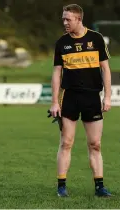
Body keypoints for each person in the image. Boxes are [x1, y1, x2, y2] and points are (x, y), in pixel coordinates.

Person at [50, 4, 112, 197]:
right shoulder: (61, 43)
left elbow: (106, 69)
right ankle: (61, 186)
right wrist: (54, 101)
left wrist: (108, 96)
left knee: (95, 143)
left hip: (92, 97)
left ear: (79, 19)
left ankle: (99, 187)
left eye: (68, 19)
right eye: (63, 19)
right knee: (66, 142)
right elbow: (56, 74)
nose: (65, 22)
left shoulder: (96, 39)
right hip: (69, 97)